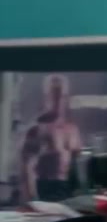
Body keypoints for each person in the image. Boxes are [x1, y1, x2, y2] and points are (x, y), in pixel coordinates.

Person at [18, 74, 83, 202]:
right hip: (45, 188)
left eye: (60, 95)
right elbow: (25, 168)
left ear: (66, 98)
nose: (57, 100)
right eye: (53, 94)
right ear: (46, 96)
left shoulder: (72, 129)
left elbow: (76, 165)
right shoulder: (36, 129)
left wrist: (78, 192)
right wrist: (30, 199)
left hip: (67, 189)